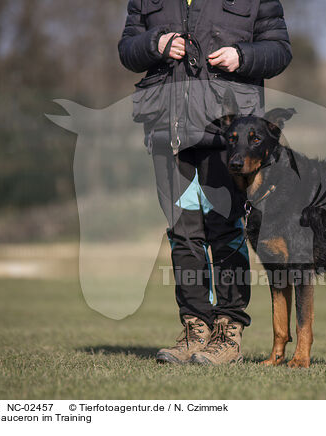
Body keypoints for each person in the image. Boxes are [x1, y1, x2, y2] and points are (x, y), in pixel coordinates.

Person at [118, 0, 292, 365]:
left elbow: (279, 50)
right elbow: (128, 48)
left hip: (229, 139)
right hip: (168, 129)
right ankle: (195, 330)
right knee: (183, 232)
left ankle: (228, 334)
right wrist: (156, 44)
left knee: (225, 230)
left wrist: (242, 56)